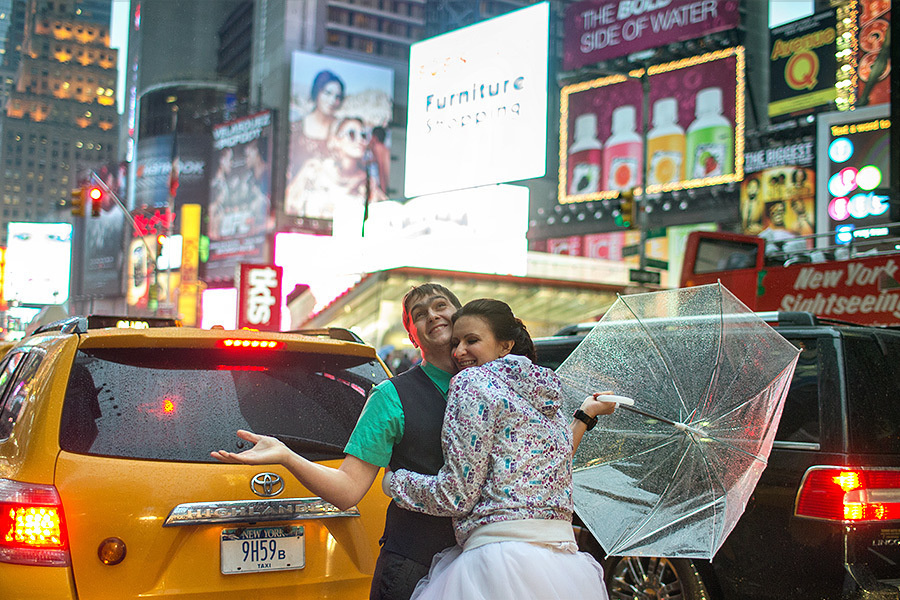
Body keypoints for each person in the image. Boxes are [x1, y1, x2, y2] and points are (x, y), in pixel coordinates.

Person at [212, 283, 463, 600]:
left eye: (440, 306)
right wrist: (287, 456)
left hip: (485, 557)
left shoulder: (495, 379)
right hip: (415, 567)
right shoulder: (391, 396)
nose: (432, 316)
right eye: (419, 314)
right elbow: (347, 489)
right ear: (412, 336)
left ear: (460, 313)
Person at [383, 299, 616, 600]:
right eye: (456, 342)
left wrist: (395, 482)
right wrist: (585, 415)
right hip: (562, 564)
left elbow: (455, 495)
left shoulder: (471, 381)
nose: (458, 352)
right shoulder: (547, 392)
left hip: (496, 561)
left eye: (472, 340)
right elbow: (542, 471)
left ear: (505, 345)